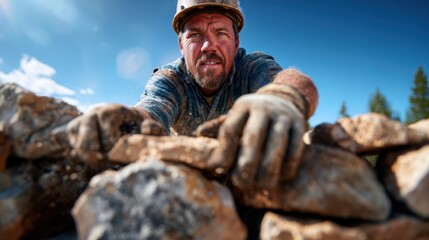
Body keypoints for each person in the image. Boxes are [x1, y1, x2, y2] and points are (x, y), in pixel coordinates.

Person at [67, 0, 318, 191]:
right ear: (180, 44)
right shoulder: (171, 79)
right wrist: (125, 120)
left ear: (236, 41)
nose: (209, 46)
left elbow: (289, 81)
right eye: (195, 35)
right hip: (181, 181)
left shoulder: (251, 67)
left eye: (221, 33)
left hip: (245, 176)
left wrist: (282, 98)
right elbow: (153, 109)